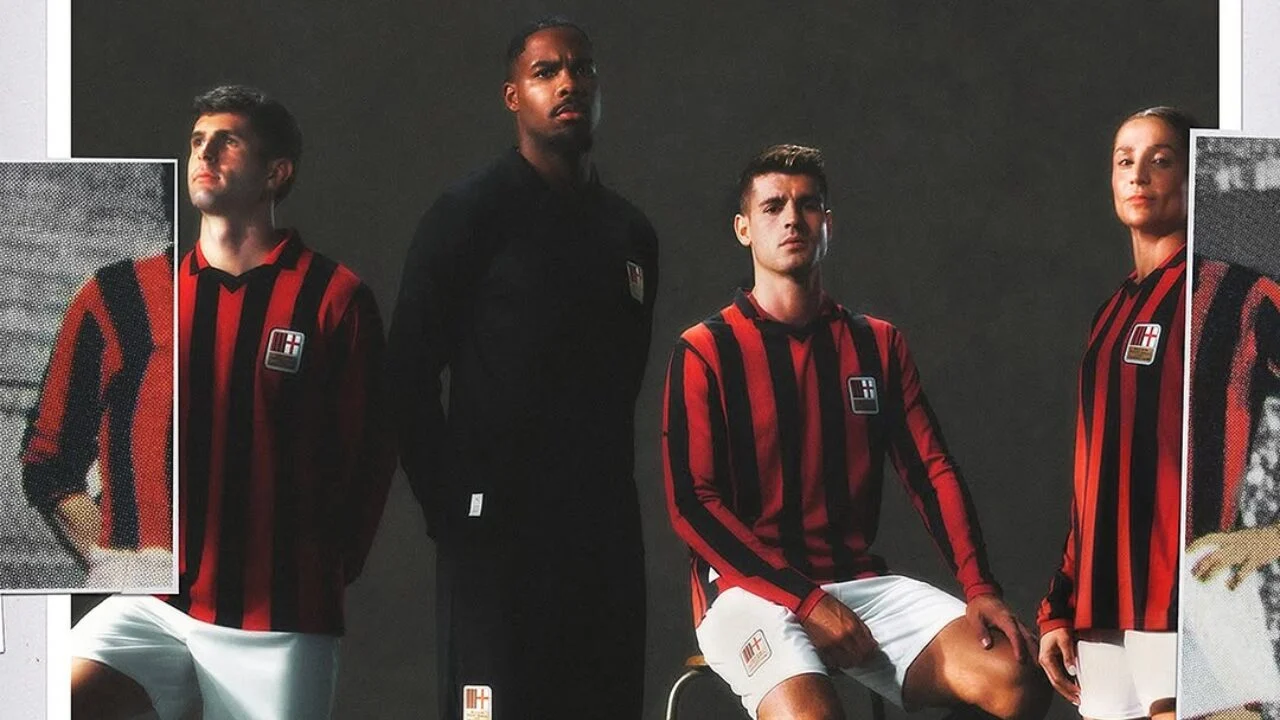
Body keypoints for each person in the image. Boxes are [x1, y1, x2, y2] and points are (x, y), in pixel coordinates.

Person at [662, 143, 1048, 720]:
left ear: (828, 224)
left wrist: (979, 587)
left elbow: (931, 471)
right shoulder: (705, 350)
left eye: (807, 204)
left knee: (1018, 679)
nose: (792, 218)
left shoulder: (877, 345)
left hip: (857, 583)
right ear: (744, 229)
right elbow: (692, 505)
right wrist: (805, 601)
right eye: (772, 207)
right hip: (746, 591)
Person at [68, 85, 394, 720]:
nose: (205, 152)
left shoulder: (334, 297)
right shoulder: (145, 292)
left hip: (276, 617)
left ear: (276, 173)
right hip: (156, 605)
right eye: (197, 141)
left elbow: (370, 456)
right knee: (51, 699)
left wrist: (318, 571)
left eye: (228, 141)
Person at [386, 16, 658, 720]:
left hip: (602, 536)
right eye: (546, 72)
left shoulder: (630, 233)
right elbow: (406, 373)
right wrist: (452, 509)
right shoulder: (468, 213)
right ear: (514, 96)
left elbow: (622, 380)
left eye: (581, 69)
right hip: (497, 539)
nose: (569, 83)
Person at [1037, 107, 1194, 720]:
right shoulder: (1109, 314)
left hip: (1178, 594)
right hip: (1101, 604)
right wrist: (1060, 601)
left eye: (1161, 160)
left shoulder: (1217, 292)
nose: (1138, 174)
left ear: (1194, 176)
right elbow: (1095, 474)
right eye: (1125, 161)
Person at [22, 245, 174, 589]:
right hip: (145, 577)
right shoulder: (117, 293)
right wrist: (123, 561)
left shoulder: (292, 300)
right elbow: (49, 464)